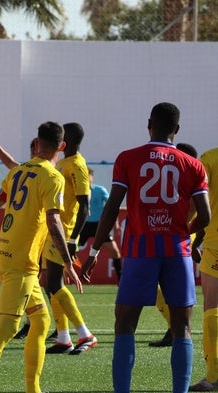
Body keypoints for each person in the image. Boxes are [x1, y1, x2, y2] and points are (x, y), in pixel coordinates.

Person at [80, 102, 210, 393]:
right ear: (176, 130)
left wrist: (93, 251)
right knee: (182, 328)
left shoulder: (128, 158)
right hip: (177, 252)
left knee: (125, 324)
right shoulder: (193, 165)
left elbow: (112, 206)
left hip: (140, 249)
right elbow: (206, 217)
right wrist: (183, 234)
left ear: (148, 123)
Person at [0, 121, 83, 393]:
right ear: (61, 147)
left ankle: (33, 388)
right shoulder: (53, 177)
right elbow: (54, 222)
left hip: (5, 254)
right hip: (22, 262)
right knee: (8, 326)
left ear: (37, 144)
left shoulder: (17, 173)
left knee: (41, 320)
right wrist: (67, 263)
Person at [0, 121, 56, 341]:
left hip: (45, 235)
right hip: (31, 239)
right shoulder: (25, 171)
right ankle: (33, 321)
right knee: (38, 282)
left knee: (50, 283)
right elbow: (9, 162)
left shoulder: (50, 175)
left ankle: (65, 330)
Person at [44, 122, 97, 355]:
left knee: (54, 282)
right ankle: (63, 337)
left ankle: (85, 334)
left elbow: (85, 207)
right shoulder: (63, 162)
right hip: (52, 230)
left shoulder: (77, 165)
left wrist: (74, 238)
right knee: (51, 284)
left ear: (70, 139)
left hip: (64, 231)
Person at [149, 142, 198, 348]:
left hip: (183, 234)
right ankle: (175, 328)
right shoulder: (176, 175)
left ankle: (177, 328)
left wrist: (184, 229)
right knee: (162, 287)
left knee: (168, 287)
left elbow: (198, 209)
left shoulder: (192, 175)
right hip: (173, 233)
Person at [188, 145, 218, 392]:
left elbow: (197, 202)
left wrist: (188, 236)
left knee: (213, 306)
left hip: (216, 243)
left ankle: (214, 375)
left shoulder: (209, 159)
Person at [78, 167, 122, 282]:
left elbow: (112, 206)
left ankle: (121, 280)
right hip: (84, 225)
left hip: (99, 225)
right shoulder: (78, 191)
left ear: (92, 178)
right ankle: (59, 278)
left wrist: (116, 224)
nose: (86, 179)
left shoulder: (100, 190)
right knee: (68, 250)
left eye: (88, 176)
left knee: (115, 251)